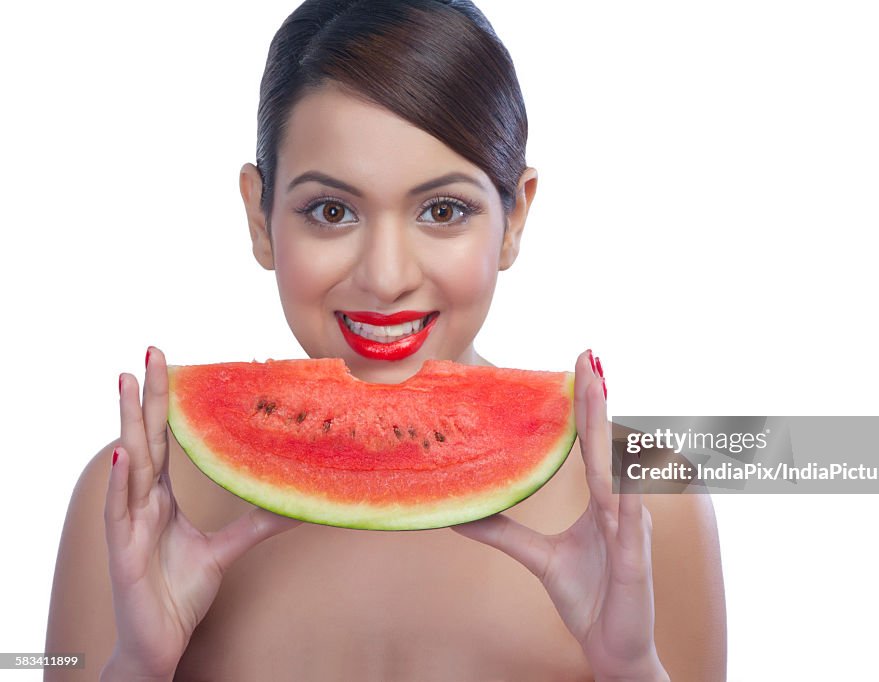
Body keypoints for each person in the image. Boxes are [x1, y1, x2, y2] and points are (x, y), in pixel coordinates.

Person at [45, 1, 726, 679]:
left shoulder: (647, 500)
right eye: (331, 211)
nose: (386, 277)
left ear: (515, 218)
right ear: (260, 217)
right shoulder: (132, 506)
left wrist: (631, 666)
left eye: (443, 211)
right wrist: (136, 664)